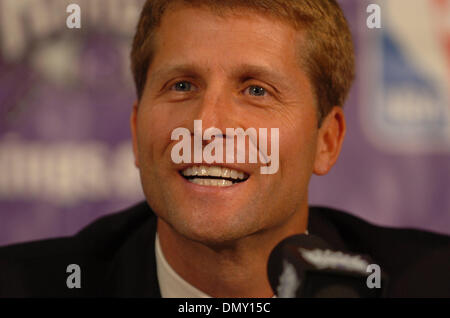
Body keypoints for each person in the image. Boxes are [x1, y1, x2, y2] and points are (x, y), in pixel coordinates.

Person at [0, 0, 449, 298]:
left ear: (326, 141)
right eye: (181, 85)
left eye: (256, 90)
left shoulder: (427, 283)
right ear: (137, 131)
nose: (207, 125)